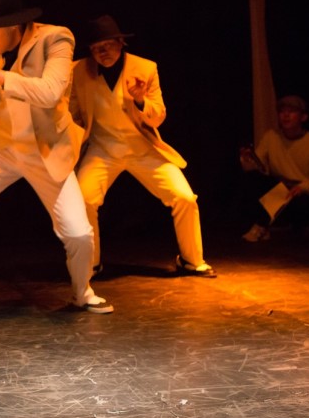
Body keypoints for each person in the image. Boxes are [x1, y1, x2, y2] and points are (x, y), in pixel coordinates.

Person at [0, 0, 113, 330]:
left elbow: (49, 93)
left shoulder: (56, 39)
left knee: (79, 234)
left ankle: (82, 292)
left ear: (13, 25)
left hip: (45, 149)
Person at [69, 15, 216, 278]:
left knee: (184, 198)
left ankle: (192, 260)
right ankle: (91, 263)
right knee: (84, 199)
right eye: (96, 47)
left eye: (107, 45)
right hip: (103, 150)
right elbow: (74, 114)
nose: (103, 52)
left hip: (143, 148)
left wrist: (140, 101)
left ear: (120, 43)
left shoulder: (145, 68)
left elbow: (158, 116)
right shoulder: (78, 71)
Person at [239, 95, 309, 242]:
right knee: (255, 181)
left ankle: (271, 226)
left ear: (303, 117)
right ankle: (263, 225)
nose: (286, 115)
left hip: (302, 194)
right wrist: (247, 158)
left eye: (292, 111)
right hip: (280, 189)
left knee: (302, 202)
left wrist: (303, 187)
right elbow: (258, 166)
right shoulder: (271, 136)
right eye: (282, 111)